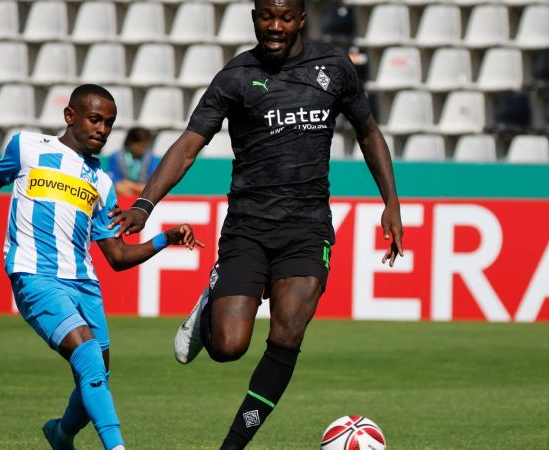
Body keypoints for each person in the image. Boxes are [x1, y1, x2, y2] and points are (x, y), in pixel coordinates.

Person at [109, 1, 403, 449]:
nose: (276, 27)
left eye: (286, 17)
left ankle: (231, 447)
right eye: (267, 17)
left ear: (302, 19)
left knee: (287, 333)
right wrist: (145, 204)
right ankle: (212, 303)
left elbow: (367, 131)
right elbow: (188, 145)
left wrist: (391, 202)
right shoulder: (236, 76)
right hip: (248, 225)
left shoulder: (334, 68)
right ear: (254, 18)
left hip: (307, 228)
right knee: (229, 346)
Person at [0, 84, 204, 450]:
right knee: (87, 356)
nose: (102, 129)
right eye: (95, 119)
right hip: (35, 275)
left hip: (84, 285)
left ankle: (60, 435)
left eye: (109, 124)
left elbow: (117, 257)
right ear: (70, 116)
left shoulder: (102, 182)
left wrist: (166, 238)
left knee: (97, 375)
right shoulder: (27, 147)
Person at [106, 127, 158, 198]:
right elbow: (115, 182)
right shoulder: (116, 156)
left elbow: (153, 185)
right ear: (130, 142)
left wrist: (131, 185)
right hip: (123, 191)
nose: (142, 149)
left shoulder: (151, 158)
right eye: (139, 145)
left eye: (144, 146)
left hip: (144, 192)